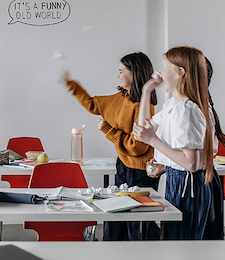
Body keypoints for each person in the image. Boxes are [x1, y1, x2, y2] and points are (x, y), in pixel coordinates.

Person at [59, 52, 160, 241]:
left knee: (137, 222)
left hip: (140, 172)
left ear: (134, 73)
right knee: (116, 213)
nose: (117, 75)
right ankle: (114, 251)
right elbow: (93, 104)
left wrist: (108, 130)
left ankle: (141, 254)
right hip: (123, 165)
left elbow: (137, 147)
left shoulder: (143, 107)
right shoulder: (120, 98)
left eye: (121, 71)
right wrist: (71, 84)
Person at [133, 46, 214, 240]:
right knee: (174, 243)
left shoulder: (187, 110)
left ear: (180, 72)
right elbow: (143, 129)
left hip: (188, 185)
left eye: (164, 68)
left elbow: (191, 164)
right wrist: (146, 91)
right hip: (177, 181)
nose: (160, 75)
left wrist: (153, 140)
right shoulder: (173, 106)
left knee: (182, 246)